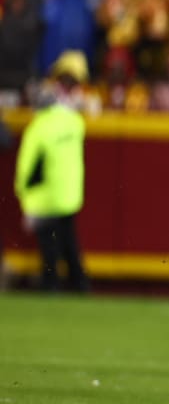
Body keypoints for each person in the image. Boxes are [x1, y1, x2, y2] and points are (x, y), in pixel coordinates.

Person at [15, 51, 90, 292]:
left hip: (45, 198)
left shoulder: (38, 128)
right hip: (69, 195)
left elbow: (27, 167)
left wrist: (24, 197)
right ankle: (80, 284)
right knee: (70, 244)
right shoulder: (74, 122)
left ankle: (51, 285)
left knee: (49, 249)